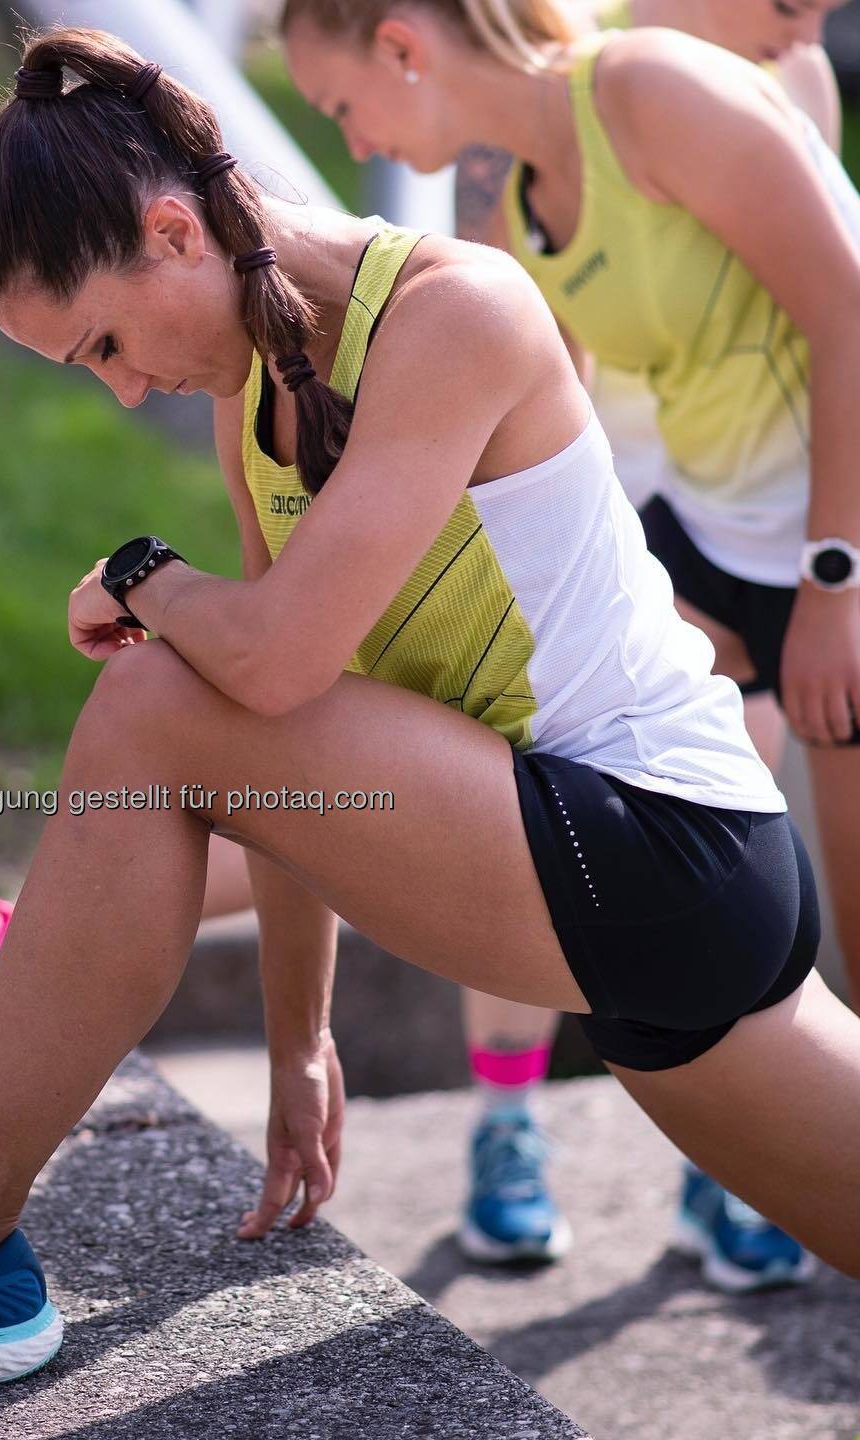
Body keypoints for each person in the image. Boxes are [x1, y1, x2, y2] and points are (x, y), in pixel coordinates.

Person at [0, 27, 860, 1414]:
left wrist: (143, 576)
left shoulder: (454, 314)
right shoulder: (260, 406)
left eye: (105, 341)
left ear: (175, 230)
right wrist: (300, 1043)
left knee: (154, 699)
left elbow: (278, 665)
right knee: (177, 698)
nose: (119, 386)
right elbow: (288, 735)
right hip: (617, 904)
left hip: (665, 853)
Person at [281, 0, 860, 1288]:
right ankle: (519, 1129)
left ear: (399, 44)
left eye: (339, 105)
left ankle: (748, 1171)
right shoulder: (509, 192)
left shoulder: (664, 86)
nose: (356, 136)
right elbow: (561, 403)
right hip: (701, 535)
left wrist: (836, 577)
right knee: (539, 763)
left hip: (824, 549)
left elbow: (847, 304)